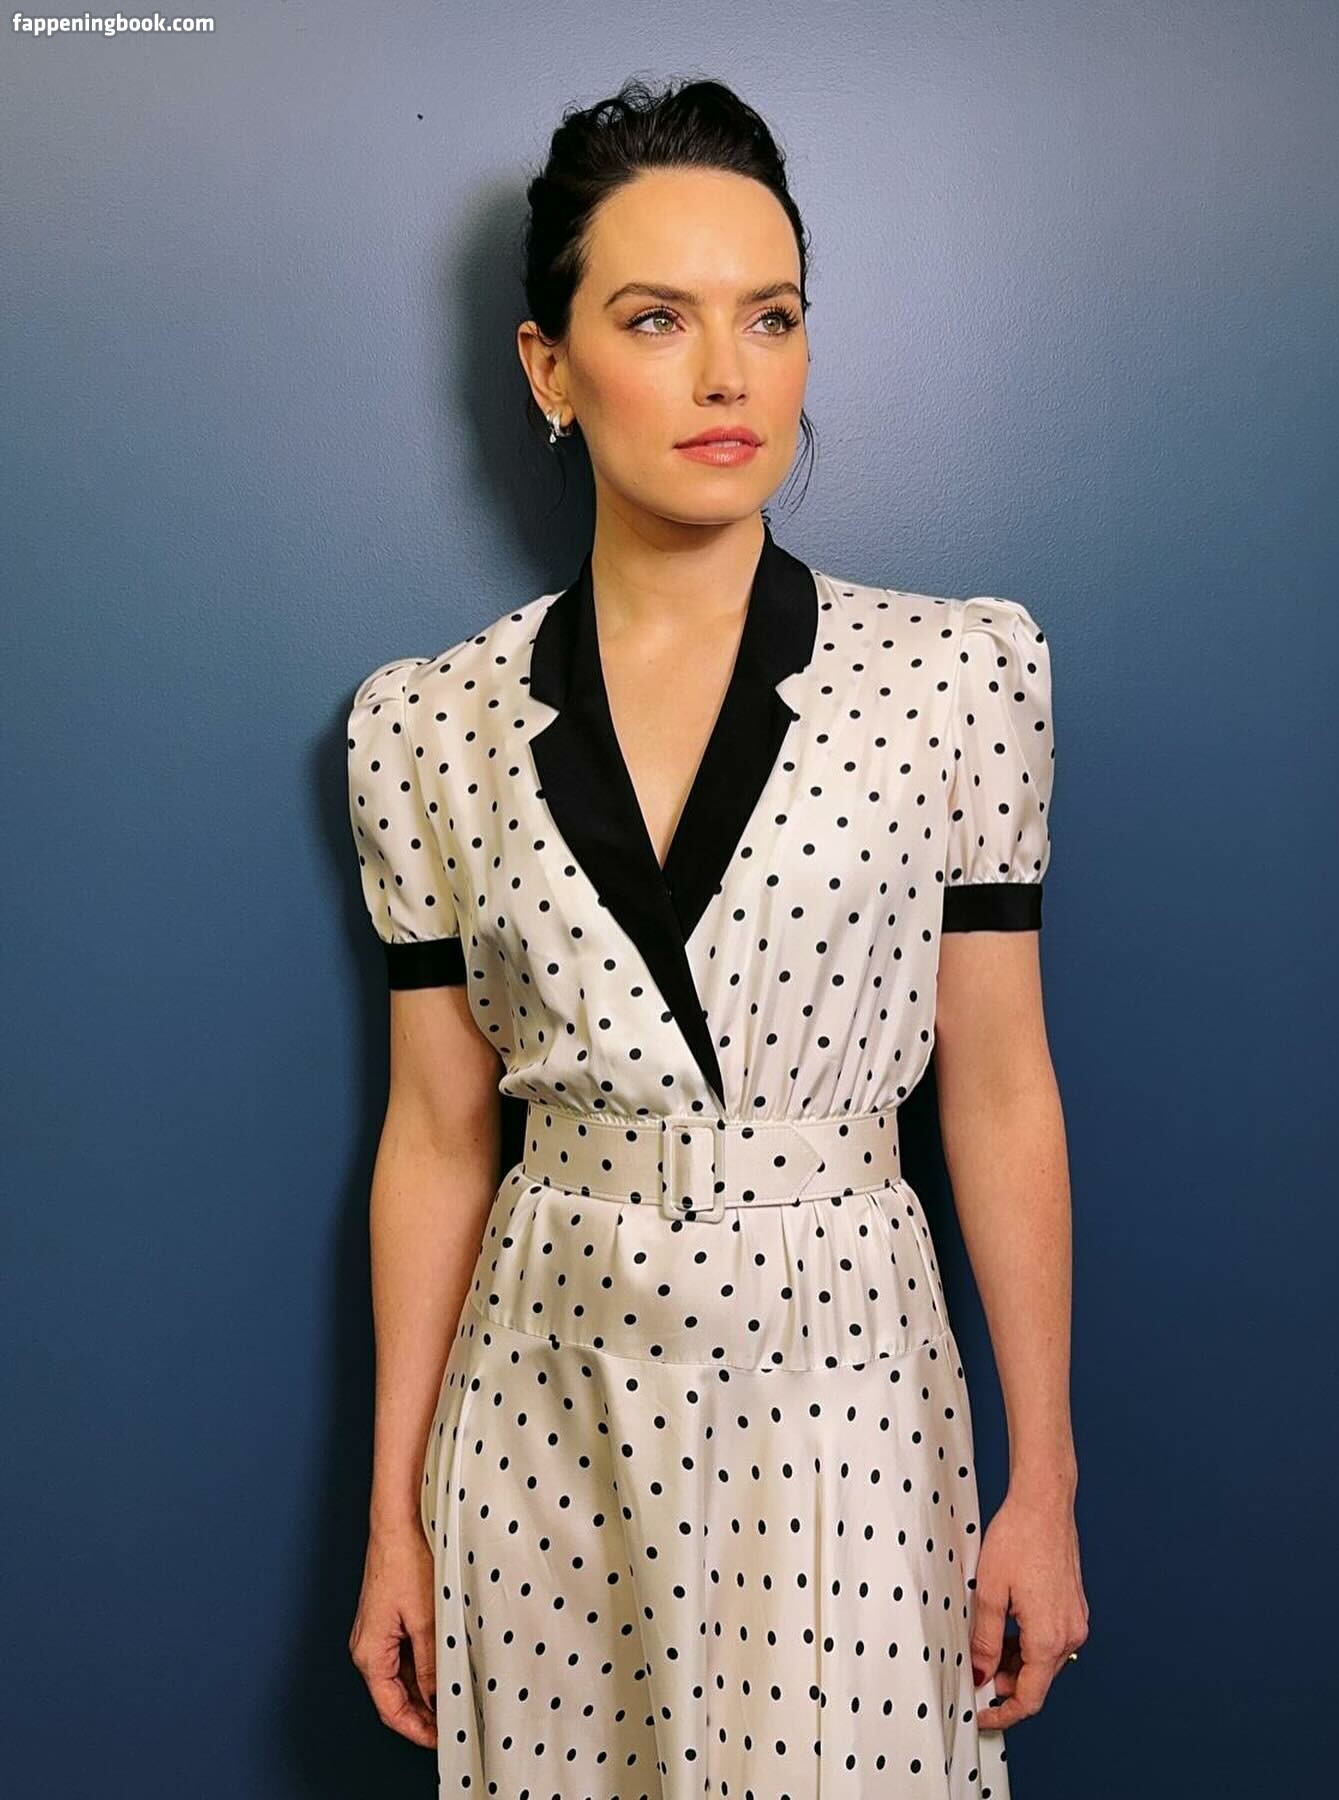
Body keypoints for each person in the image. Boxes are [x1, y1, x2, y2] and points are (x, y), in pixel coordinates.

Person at [345, 74, 1088, 1798]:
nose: (728, 374)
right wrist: (394, 1516)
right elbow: (438, 1138)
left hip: (846, 1380)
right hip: (548, 1394)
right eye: (655, 319)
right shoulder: (429, 726)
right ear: (550, 368)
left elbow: (999, 1090)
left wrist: (1043, 1480)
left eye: (770, 317)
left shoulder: (955, 681)